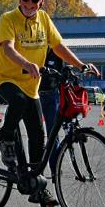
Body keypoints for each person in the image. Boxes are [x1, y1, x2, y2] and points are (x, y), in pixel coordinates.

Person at [0, 0, 100, 207]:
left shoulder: (44, 20)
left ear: (41, 2)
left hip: (32, 85)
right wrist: (26, 63)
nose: (29, 4)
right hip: (5, 79)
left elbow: (58, 46)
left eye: (34, 0)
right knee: (17, 101)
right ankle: (5, 139)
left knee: (39, 136)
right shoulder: (7, 19)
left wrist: (81, 65)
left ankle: (36, 186)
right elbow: (7, 48)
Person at [38, 47, 63, 177]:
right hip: (35, 94)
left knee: (53, 134)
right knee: (36, 134)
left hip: (52, 95)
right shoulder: (36, 50)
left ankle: (55, 169)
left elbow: (62, 74)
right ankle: (37, 170)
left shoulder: (57, 53)